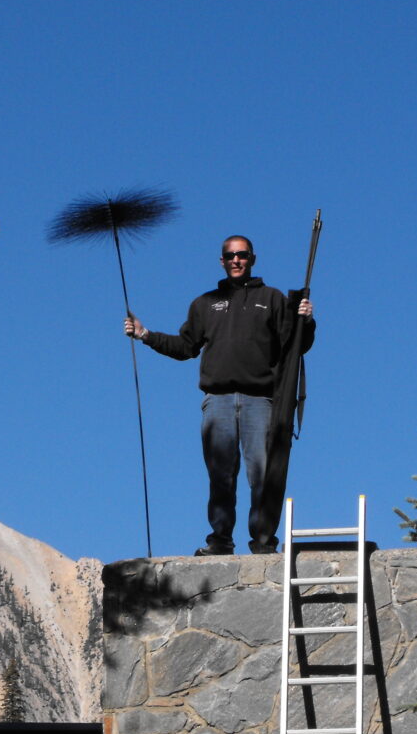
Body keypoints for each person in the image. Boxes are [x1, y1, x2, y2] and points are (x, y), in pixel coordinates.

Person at [124, 235, 314, 555]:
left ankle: (264, 541)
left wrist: (306, 321)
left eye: (242, 255)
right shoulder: (205, 303)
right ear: (221, 261)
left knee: (262, 475)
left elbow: (297, 345)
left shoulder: (272, 298)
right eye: (230, 256)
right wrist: (145, 334)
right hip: (218, 401)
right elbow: (185, 347)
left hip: (261, 401)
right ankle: (221, 541)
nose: (236, 260)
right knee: (220, 476)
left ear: (253, 258)